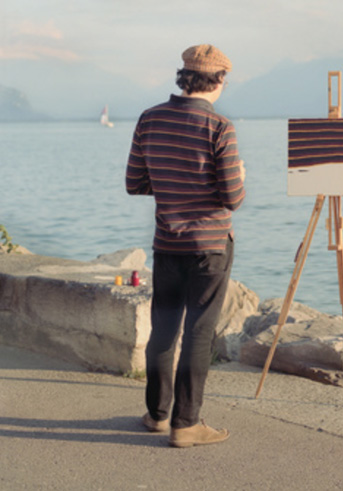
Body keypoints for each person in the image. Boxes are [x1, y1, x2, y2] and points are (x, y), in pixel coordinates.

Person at [126, 44, 245, 448]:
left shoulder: (149, 119)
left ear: (184, 76)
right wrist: (240, 174)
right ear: (219, 80)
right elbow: (232, 197)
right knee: (198, 331)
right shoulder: (220, 127)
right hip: (210, 246)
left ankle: (158, 415)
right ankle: (187, 423)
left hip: (166, 243)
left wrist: (172, 185)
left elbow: (135, 184)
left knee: (164, 328)